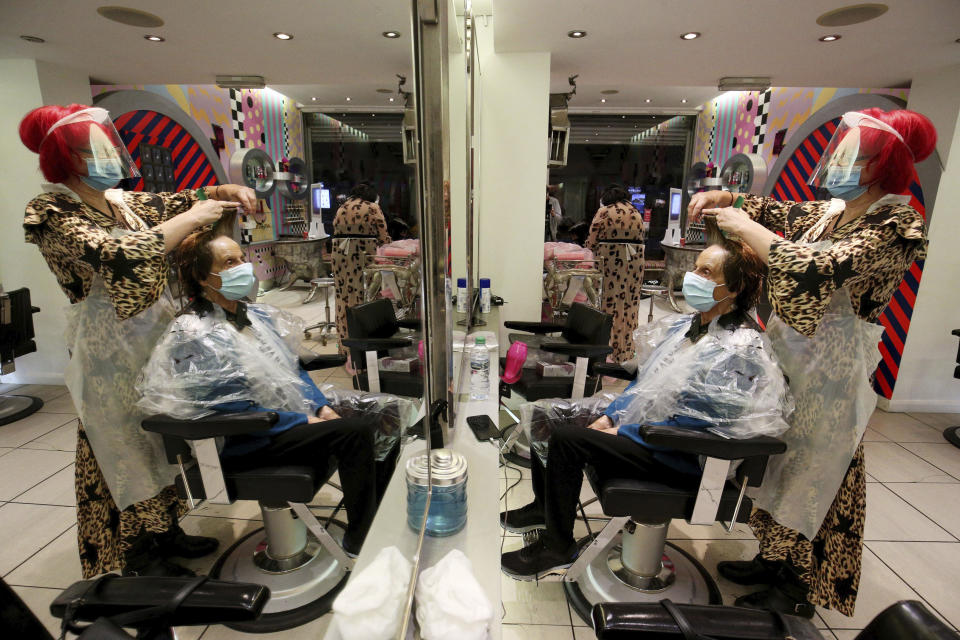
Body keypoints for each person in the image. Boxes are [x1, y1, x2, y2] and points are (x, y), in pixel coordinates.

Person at [688, 108, 936, 617]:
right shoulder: (829, 213)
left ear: (883, 164)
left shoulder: (896, 222)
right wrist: (729, 198)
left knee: (815, 475)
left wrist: (741, 225)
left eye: (853, 157)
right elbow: (780, 214)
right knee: (776, 462)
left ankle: (798, 586)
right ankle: (771, 560)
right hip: (790, 358)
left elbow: (813, 265)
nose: (840, 164)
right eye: (840, 154)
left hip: (835, 372)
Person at [19, 104, 256, 577]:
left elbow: (179, 201)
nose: (110, 158)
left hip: (155, 343)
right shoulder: (50, 210)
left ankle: (168, 531)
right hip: (109, 356)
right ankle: (136, 557)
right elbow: (117, 254)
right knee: (124, 449)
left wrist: (222, 190)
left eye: (111, 148)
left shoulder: (123, 202)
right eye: (97, 151)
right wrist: (193, 218)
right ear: (67, 158)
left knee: (164, 443)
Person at [500, 239, 792, 579]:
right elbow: (646, 385)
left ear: (735, 288)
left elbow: (702, 422)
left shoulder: (738, 349)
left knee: (567, 439)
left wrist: (622, 431)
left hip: (683, 453)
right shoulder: (690, 326)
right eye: (695, 267)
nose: (692, 276)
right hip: (651, 429)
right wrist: (612, 413)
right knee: (545, 416)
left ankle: (558, 544)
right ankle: (543, 508)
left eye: (705, 272)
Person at [136, 231, 380, 555]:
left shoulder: (253, 315)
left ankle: (378, 516)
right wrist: (299, 420)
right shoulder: (193, 335)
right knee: (356, 432)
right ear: (201, 277)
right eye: (230, 262)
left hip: (280, 421)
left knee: (381, 414)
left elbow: (291, 369)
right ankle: (361, 542)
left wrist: (321, 409)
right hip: (246, 437)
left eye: (241, 258)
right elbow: (225, 408)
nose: (244, 267)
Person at [585, 184, 646, 362]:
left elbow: (592, 240)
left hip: (609, 263)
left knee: (607, 306)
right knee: (629, 306)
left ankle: (606, 352)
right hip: (634, 263)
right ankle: (625, 352)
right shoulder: (636, 212)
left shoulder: (605, 212)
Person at [331, 181, 391, 359]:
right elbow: (383, 235)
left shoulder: (341, 208)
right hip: (363, 255)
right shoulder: (372, 207)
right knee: (366, 298)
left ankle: (346, 349)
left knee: (343, 299)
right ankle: (366, 351)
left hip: (340, 255)